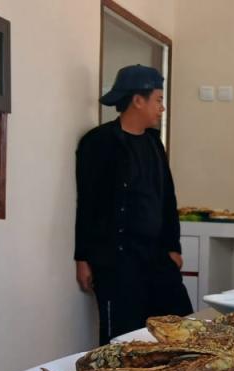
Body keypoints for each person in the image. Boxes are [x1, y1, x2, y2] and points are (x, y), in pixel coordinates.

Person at [75, 65, 192, 345]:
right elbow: (87, 202)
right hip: (116, 262)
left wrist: (173, 247)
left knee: (183, 331)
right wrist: (82, 257)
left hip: (157, 257)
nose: (161, 108)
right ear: (138, 100)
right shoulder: (98, 142)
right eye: (159, 100)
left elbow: (168, 198)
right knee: (124, 342)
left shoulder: (154, 143)